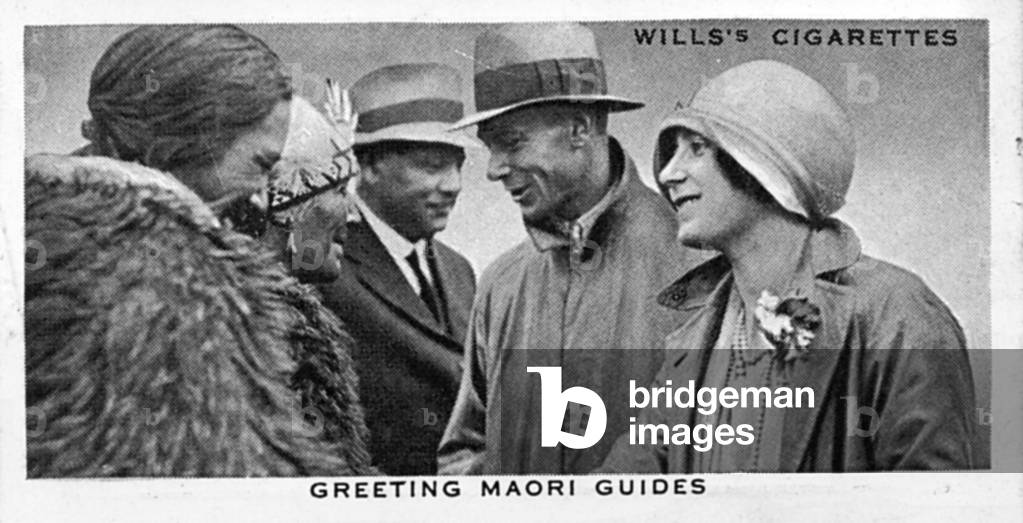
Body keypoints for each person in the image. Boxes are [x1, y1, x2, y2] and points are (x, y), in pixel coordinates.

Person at [25, 24, 374, 476]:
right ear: (188, 140)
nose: (268, 199)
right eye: (263, 165)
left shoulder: (79, 246)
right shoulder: (161, 285)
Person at [598, 60, 978, 473]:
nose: (668, 174)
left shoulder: (898, 316)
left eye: (697, 148)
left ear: (763, 165)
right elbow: (623, 486)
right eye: (672, 152)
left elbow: (936, 506)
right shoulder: (691, 344)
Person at [437, 23, 698, 475]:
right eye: (489, 148)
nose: (494, 169)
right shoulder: (502, 284)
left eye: (512, 142)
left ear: (579, 127)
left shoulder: (699, 267)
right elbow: (464, 454)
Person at [314, 63, 480, 475]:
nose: (454, 184)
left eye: (458, 164)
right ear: (365, 166)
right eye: (431, 165)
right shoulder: (321, 265)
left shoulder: (460, 271)